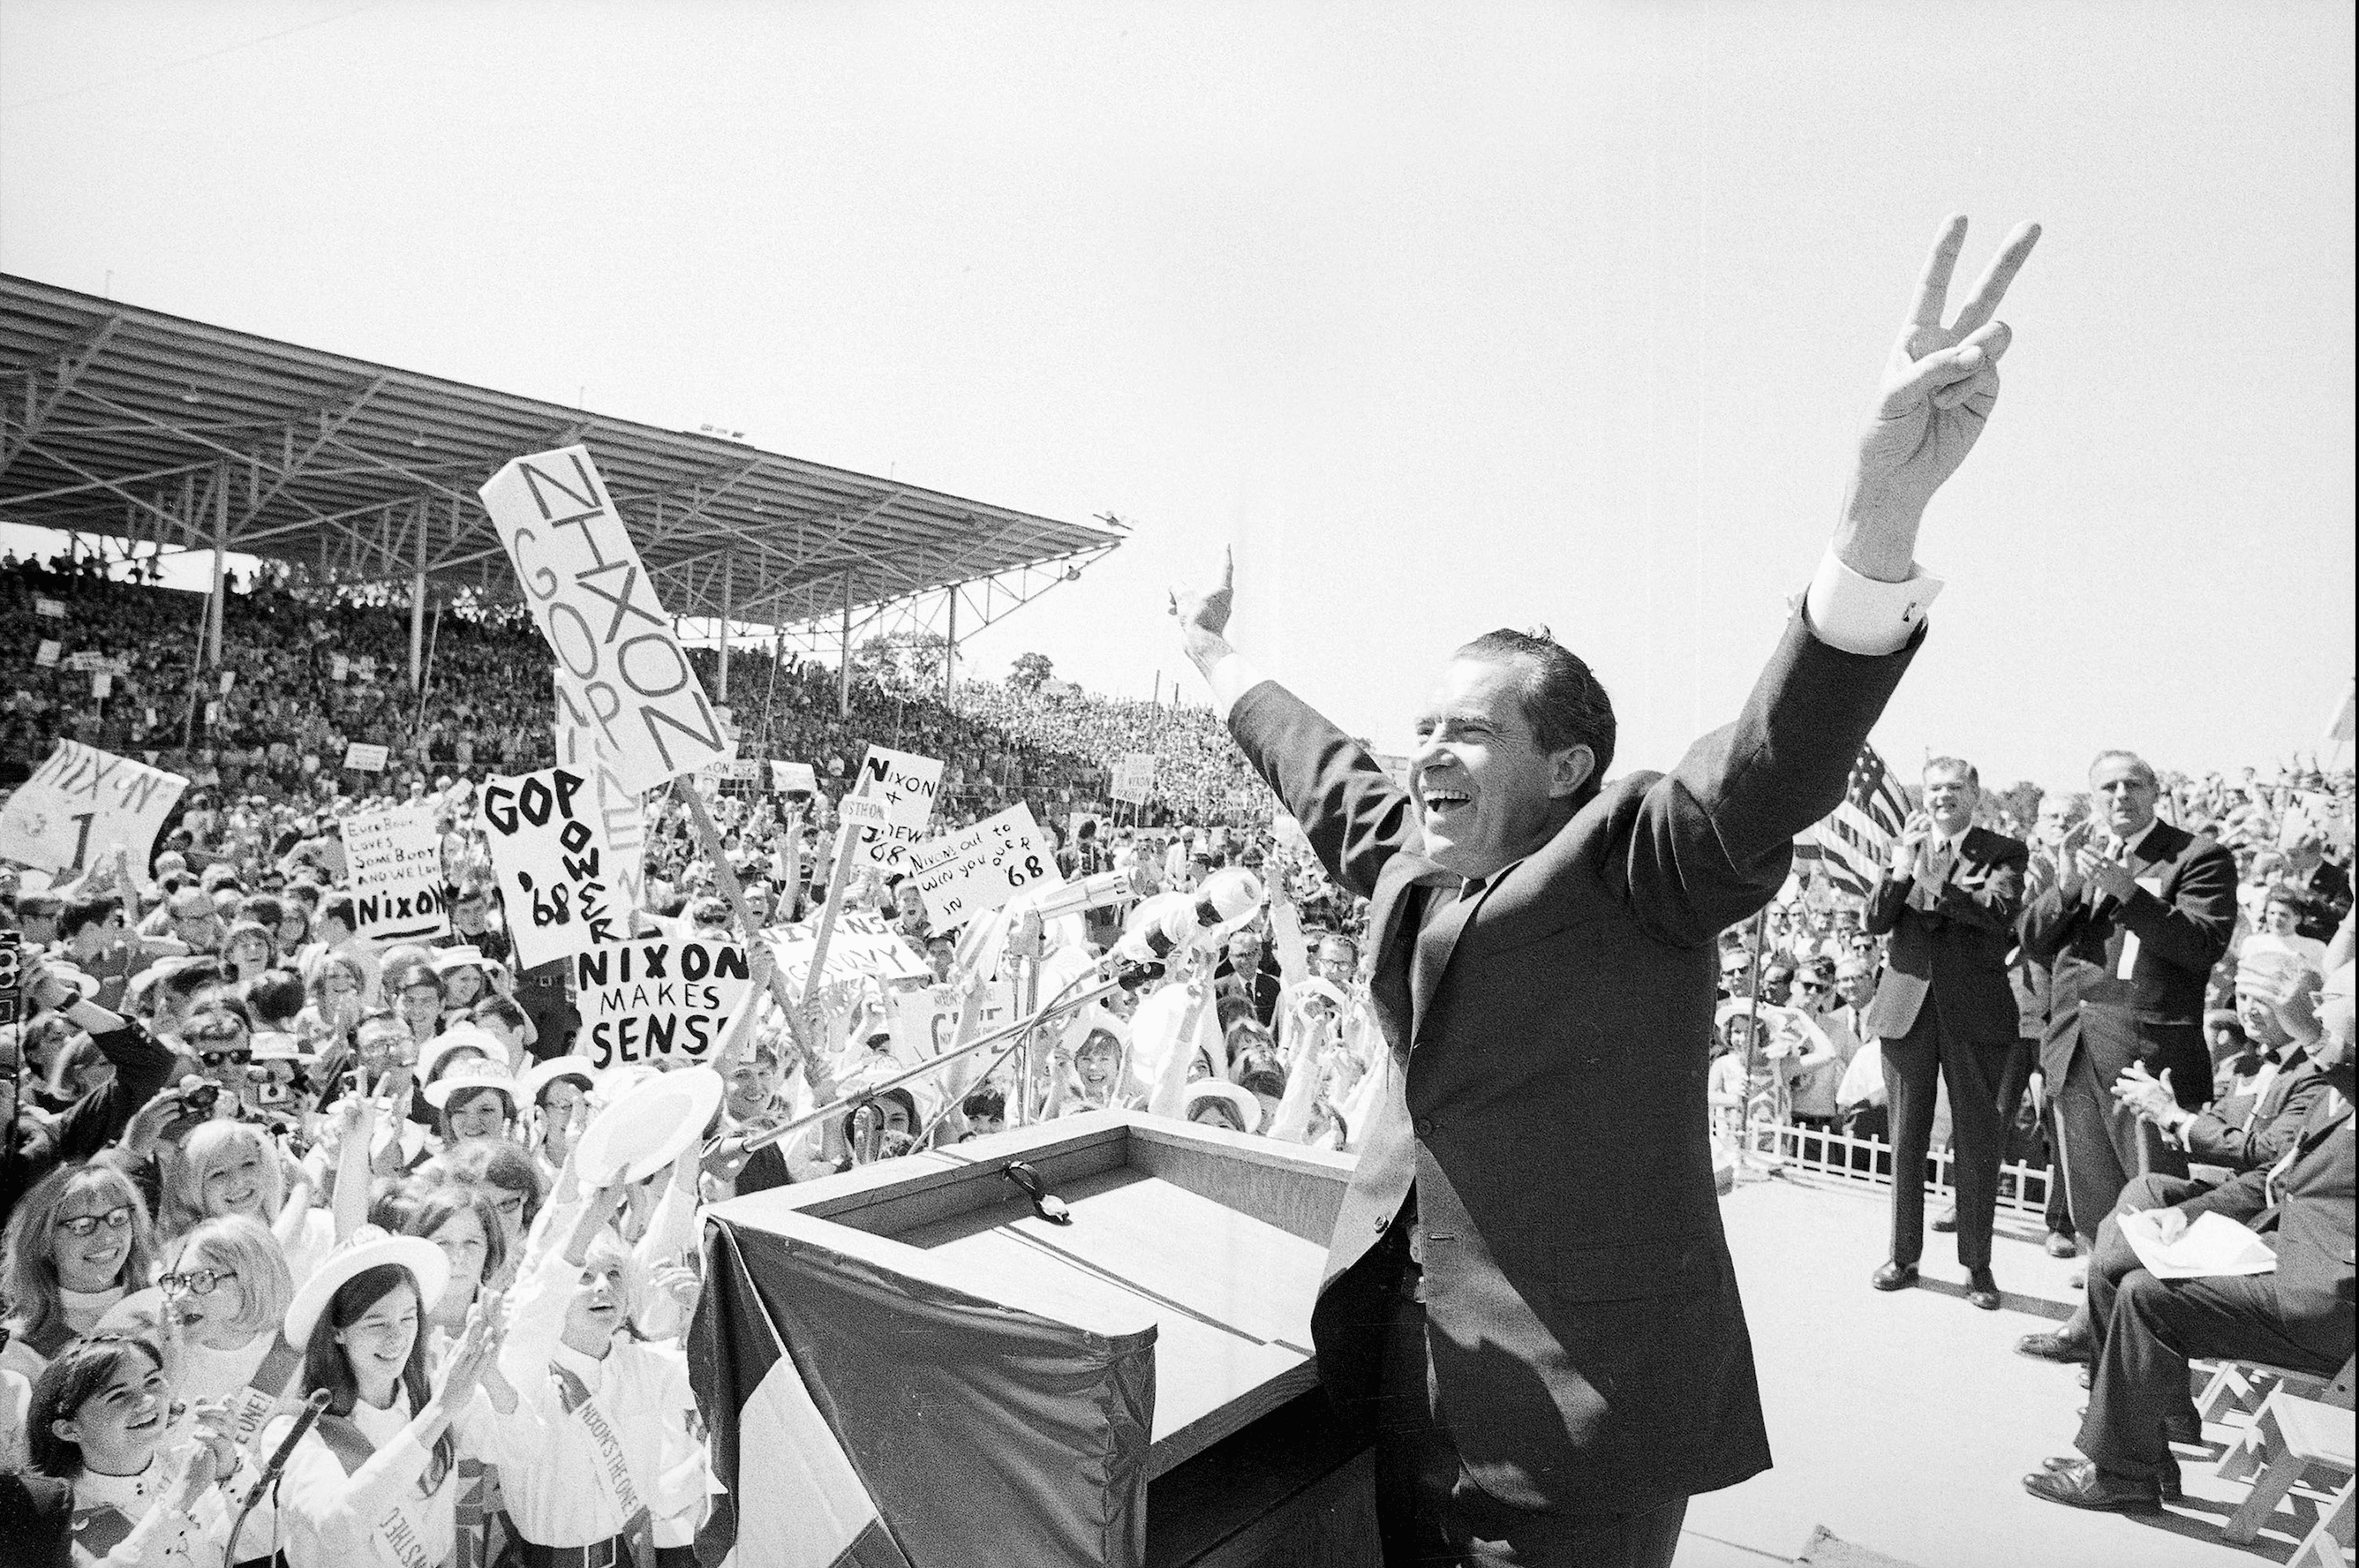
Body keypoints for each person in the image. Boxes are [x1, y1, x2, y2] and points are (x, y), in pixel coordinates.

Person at [1171, 213, 2040, 1565]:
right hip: (1406, 1391)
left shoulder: (1635, 862)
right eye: (1425, 728)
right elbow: (1314, 762)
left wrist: (1882, 510)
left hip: (1576, 1440)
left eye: (1465, 732)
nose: (1426, 752)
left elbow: (1770, 760)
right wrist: (1211, 656)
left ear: (1568, 762)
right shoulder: (1415, 856)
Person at [2024, 961, 2353, 1511]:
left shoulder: (2339, 1080)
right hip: (2292, 1264)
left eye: (2330, 999)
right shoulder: (2333, 1093)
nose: (2316, 1008)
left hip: (2325, 1303)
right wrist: (2189, 1215)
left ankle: (2126, 1472)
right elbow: (2271, 1182)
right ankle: (2140, 1456)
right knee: (2138, 1261)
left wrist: (2312, 1033)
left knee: (2147, 1298)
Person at [2019, 750, 2236, 1249]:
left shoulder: (2197, 856)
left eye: (2133, 784)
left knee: (2151, 1199)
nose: (2121, 796)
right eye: (2108, 788)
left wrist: (2129, 893)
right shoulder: (2087, 854)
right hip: (2073, 1044)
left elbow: (2202, 945)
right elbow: (2033, 939)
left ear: (2154, 792)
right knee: (2091, 1200)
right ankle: (2099, 1294)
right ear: (2093, 799)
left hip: (2144, 1052)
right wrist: (2069, 884)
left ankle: (2142, 1310)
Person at [1861, 757, 2027, 1308]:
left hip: (1975, 1012)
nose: (1942, 798)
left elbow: (1998, 909)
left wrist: (1925, 881)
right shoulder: (1905, 849)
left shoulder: (2001, 851)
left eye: (1954, 788)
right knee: (1906, 1137)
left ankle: (1977, 1265)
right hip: (1906, 1008)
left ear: (1975, 794)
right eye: (1934, 789)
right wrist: (1902, 869)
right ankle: (1902, 1254)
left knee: (1977, 1141)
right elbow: (1876, 920)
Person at [263, 1230, 509, 1568]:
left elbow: (522, 1450)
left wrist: (491, 1371)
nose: (396, 1337)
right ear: (337, 1331)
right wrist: (438, 1413)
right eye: (375, 1322)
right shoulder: (293, 1428)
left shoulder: (435, 1389)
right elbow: (338, 1528)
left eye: (408, 1318)